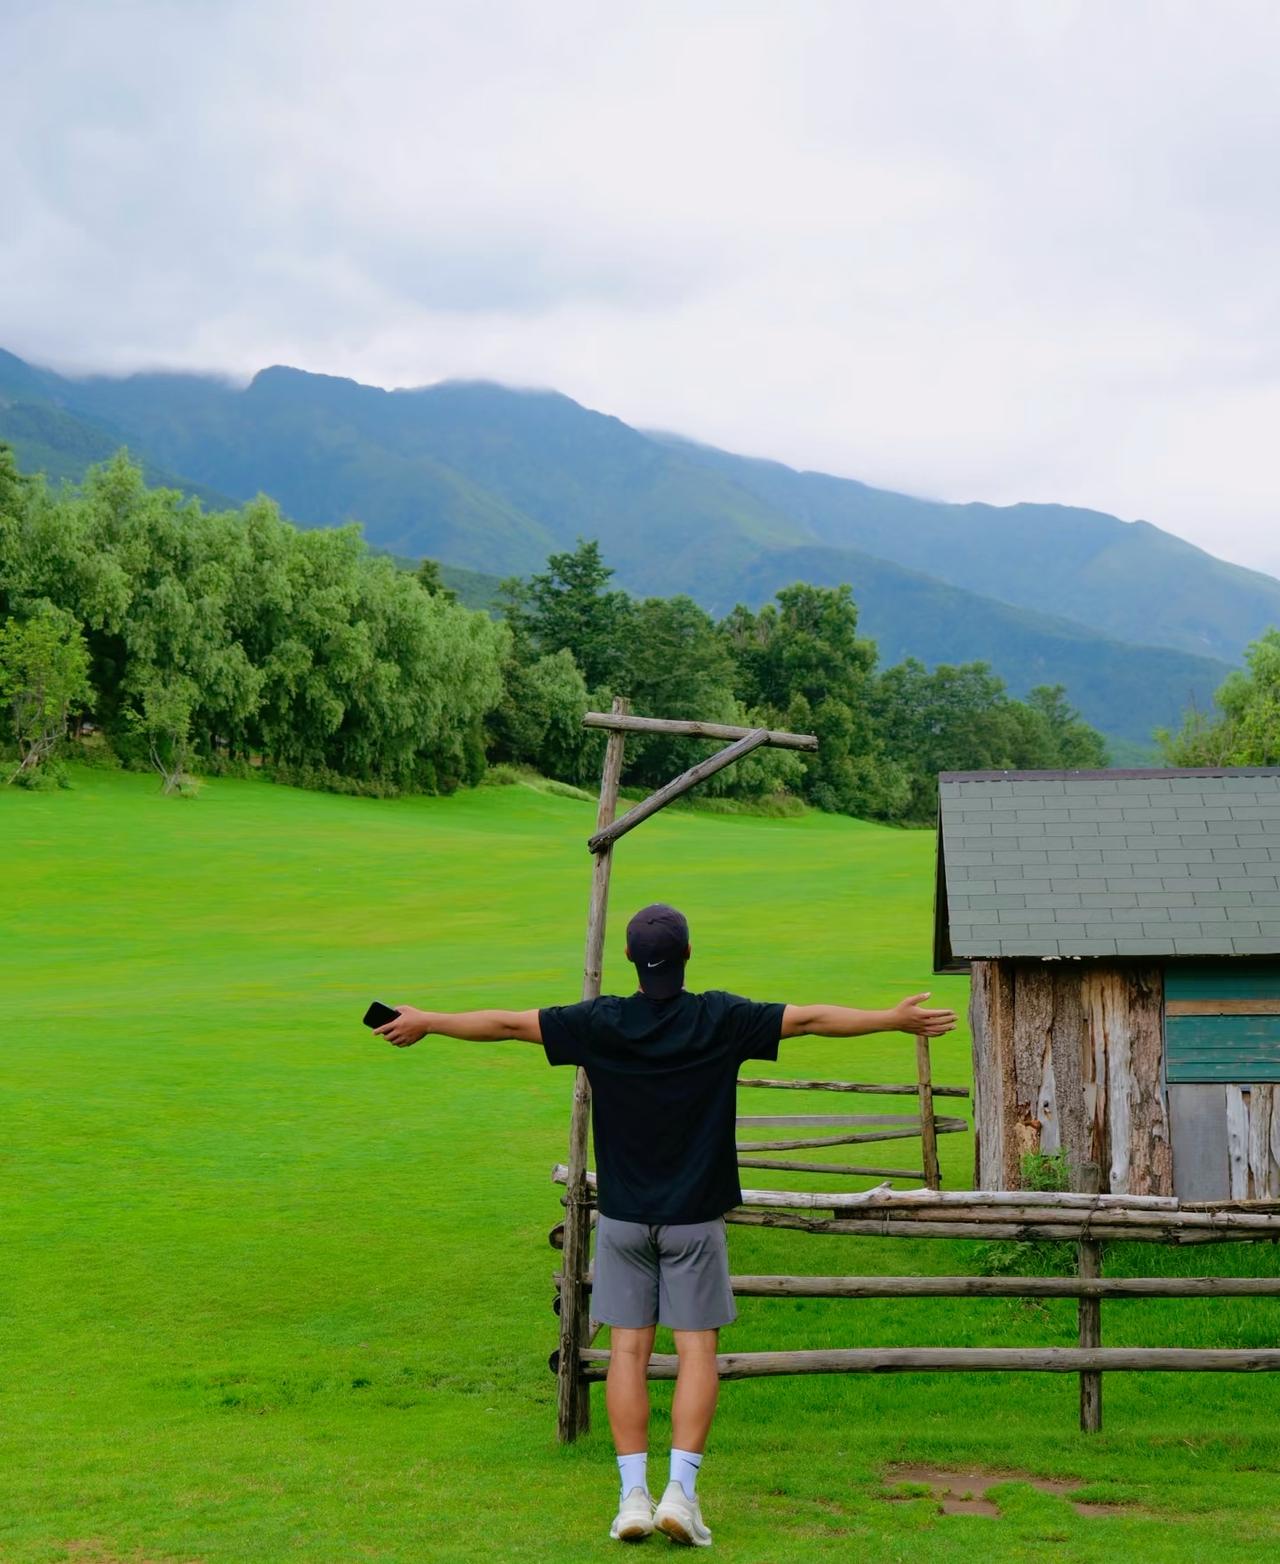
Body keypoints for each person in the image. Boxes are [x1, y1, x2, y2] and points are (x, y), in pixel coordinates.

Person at [374, 902, 956, 1548]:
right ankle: (680, 1492)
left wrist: (427, 1021)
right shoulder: (721, 1018)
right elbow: (812, 1019)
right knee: (696, 1353)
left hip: (624, 1219)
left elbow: (509, 1024)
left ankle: (632, 1498)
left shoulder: (600, 1022)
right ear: (687, 955)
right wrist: (894, 1019)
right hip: (695, 1220)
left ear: (629, 958)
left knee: (627, 1351)